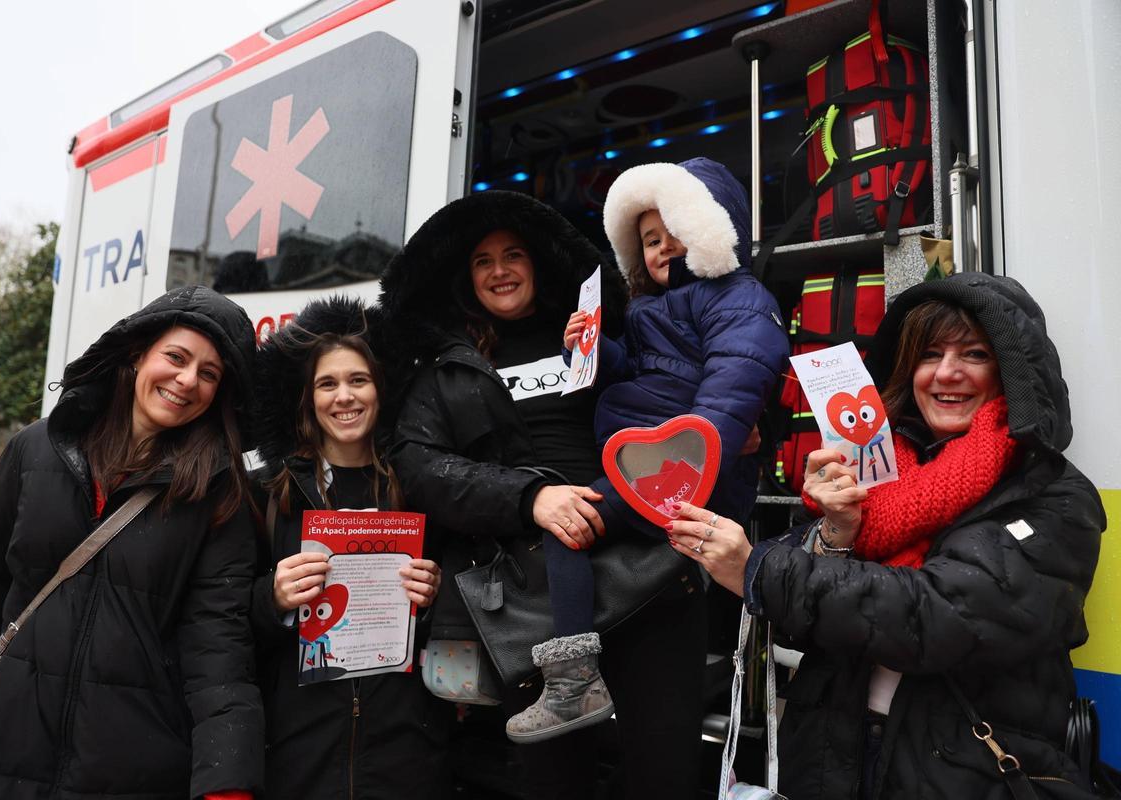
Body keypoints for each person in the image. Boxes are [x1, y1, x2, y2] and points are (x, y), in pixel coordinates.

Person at [667, 272, 1106, 799]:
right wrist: (836, 531)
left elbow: (940, 618)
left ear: (1010, 370)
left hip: (966, 774)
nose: (947, 373)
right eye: (929, 354)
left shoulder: (1053, 494)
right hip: (835, 757)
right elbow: (793, 629)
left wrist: (759, 570)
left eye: (973, 354)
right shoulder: (874, 469)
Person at [379, 189, 706, 799]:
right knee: (554, 777)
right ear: (465, 278)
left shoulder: (603, 335)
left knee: (666, 769)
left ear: (539, 263)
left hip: (648, 575)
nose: (499, 271)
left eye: (513, 255)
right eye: (482, 261)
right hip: (535, 597)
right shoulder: (444, 370)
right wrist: (531, 498)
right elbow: (419, 468)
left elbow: (679, 401)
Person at [0, 286, 263, 800]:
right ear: (137, 352)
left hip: (128, 766)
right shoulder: (34, 449)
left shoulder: (219, 492)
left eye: (209, 373)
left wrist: (226, 776)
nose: (187, 380)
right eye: (176, 356)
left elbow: (218, 644)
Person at [512, 157, 788, 740]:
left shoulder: (738, 297)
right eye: (649, 240)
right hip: (646, 465)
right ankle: (574, 675)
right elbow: (633, 374)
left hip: (680, 471)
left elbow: (735, 381)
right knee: (569, 523)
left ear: (712, 227)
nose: (662, 248)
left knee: (569, 524)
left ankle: (573, 683)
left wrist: (696, 450)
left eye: (675, 231)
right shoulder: (646, 309)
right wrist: (591, 349)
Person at [250, 296, 451, 799]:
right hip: (301, 751)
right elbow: (218, 615)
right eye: (327, 383)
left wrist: (434, 597)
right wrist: (271, 597)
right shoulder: (268, 492)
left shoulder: (419, 483)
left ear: (380, 391)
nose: (345, 397)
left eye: (358, 380)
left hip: (404, 750)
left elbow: (458, 605)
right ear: (308, 398)